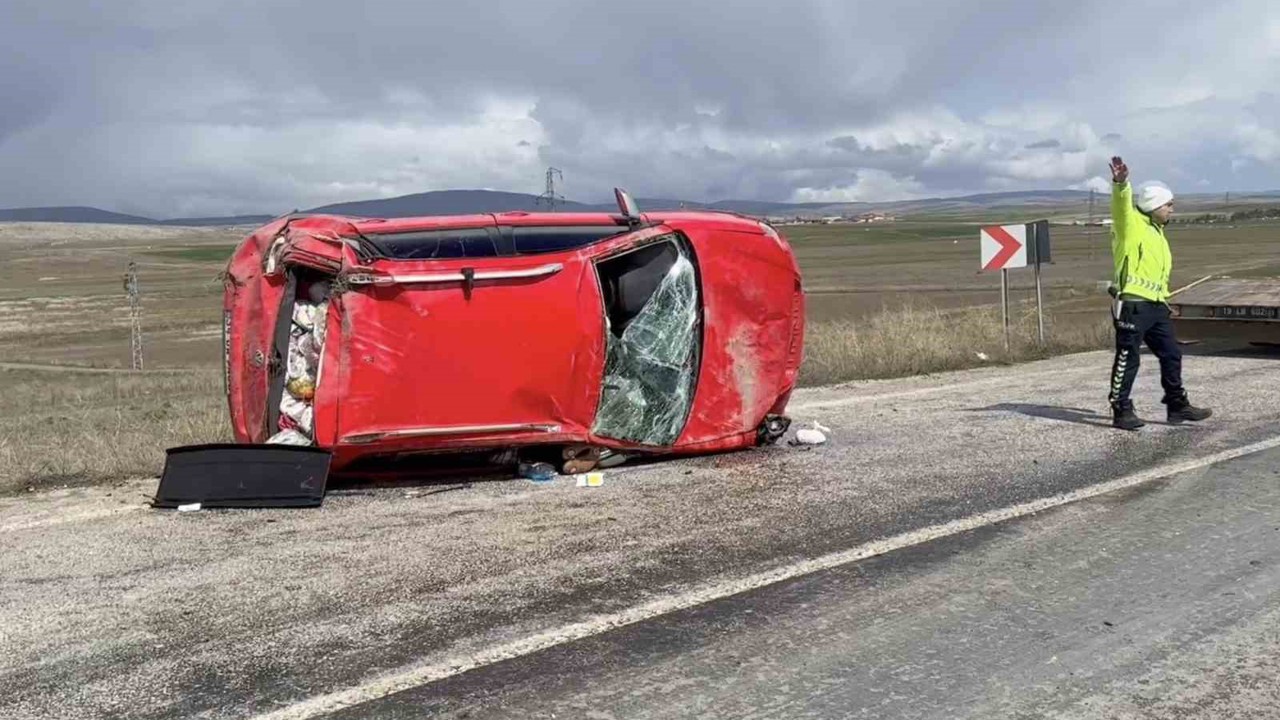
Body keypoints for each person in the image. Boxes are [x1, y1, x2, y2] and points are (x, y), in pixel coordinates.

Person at [1105, 155, 1212, 430]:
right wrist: (1121, 184)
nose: (1172, 210)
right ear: (1154, 206)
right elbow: (1121, 208)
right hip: (1133, 305)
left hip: (1155, 305)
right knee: (1129, 357)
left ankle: (1176, 405)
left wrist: (1163, 301)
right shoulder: (1130, 226)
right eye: (1169, 205)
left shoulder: (1158, 231)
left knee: (1172, 353)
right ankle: (1121, 409)